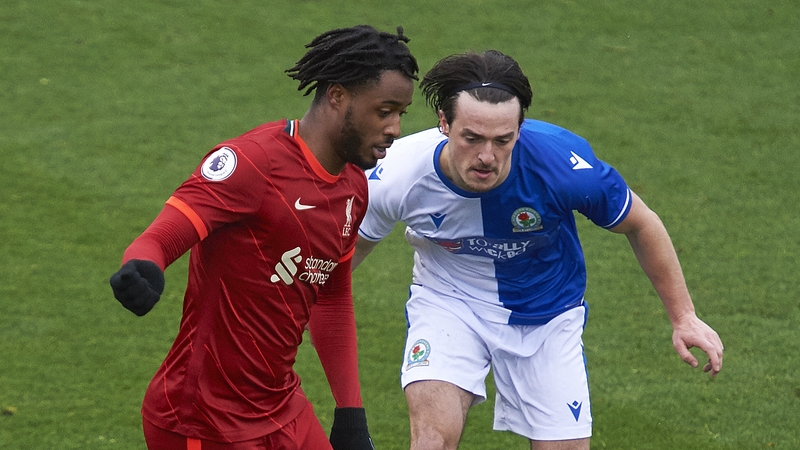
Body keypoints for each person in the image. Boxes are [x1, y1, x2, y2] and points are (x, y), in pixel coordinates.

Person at [353, 50, 724, 450]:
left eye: (503, 140)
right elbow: (345, 255)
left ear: (520, 128)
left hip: (546, 313)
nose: (486, 157)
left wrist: (684, 316)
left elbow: (642, 223)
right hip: (449, 303)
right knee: (431, 440)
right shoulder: (397, 175)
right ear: (445, 123)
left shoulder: (562, 166)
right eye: (472, 138)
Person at [109, 25, 418, 450]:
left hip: (281, 408)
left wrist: (350, 411)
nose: (395, 128)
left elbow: (331, 297)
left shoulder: (353, 187)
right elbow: (162, 236)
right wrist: (142, 266)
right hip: (203, 422)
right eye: (384, 110)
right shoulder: (251, 163)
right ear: (337, 96)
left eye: (401, 113)